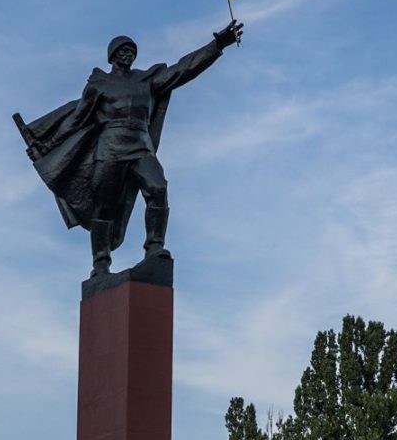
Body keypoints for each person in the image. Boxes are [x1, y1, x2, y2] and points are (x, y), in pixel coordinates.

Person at [16, 20, 243, 277]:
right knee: (103, 207)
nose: (127, 54)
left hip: (140, 146)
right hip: (110, 149)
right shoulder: (98, 85)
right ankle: (101, 262)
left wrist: (217, 45)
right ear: (112, 56)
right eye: (122, 51)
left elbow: (183, 69)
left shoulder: (146, 80)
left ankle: (154, 247)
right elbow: (76, 120)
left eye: (131, 51)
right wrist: (47, 146)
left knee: (158, 188)